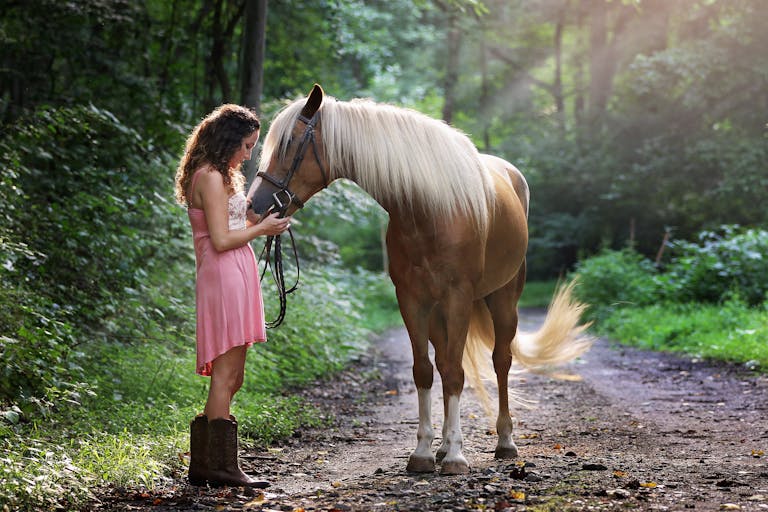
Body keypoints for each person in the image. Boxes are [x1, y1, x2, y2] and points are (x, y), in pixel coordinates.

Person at [174, 104, 291, 488]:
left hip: (237, 272)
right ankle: (219, 467)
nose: (248, 154)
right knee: (225, 376)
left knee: (234, 375)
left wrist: (266, 221)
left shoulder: (227, 176)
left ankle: (208, 462)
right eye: (245, 145)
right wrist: (261, 232)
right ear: (227, 141)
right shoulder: (207, 177)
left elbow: (237, 222)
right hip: (223, 274)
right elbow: (221, 240)